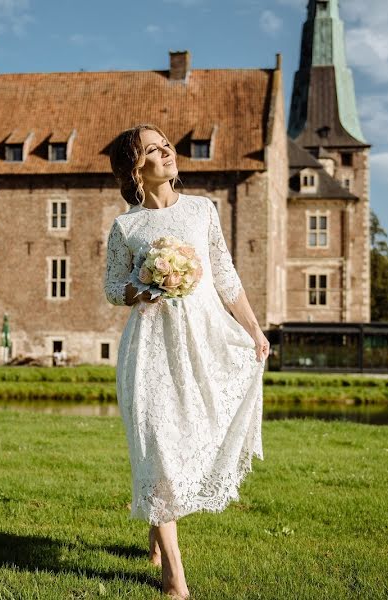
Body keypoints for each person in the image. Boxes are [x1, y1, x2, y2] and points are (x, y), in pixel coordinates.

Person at [103, 124, 269, 599]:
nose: (167, 152)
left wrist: (253, 330)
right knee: (157, 443)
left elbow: (224, 275)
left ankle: (157, 527)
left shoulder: (202, 211)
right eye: (154, 150)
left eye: (166, 144)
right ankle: (174, 578)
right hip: (149, 345)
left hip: (202, 340)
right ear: (138, 169)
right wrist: (145, 285)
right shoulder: (126, 226)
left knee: (188, 437)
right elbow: (114, 288)